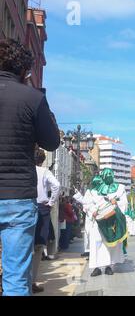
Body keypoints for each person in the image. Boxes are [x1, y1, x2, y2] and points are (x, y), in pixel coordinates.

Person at [0, 39, 60, 296]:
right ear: (25, 70)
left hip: (17, 196)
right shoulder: (32, 98)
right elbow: (52, 141)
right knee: (16, 276)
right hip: (17, 197)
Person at [32, 149, 61, 294]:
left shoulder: (26, 170)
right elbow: (57, 185)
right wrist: (51, 202)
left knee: (23, 245)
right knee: (38, 247)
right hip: (42, 208)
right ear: (43, 160)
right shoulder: (44, 172)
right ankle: (31, 282)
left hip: (26, 205)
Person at [89, 169, 128, 277]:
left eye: (110, 174)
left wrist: (116, 203)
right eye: (106, 175)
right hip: (98, 221)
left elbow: (124, 203)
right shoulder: (95, 190)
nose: (108, 176)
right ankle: (96, 267)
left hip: (112, 219)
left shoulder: (120, 188)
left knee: (110, 243)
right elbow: (88, 203)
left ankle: (108, 266)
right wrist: (93, 211)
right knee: (97, 242)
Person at [73, 176, 103, 260]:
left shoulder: (102, 192)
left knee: (97, 235)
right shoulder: (89, 191)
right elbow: (85, 202)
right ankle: (88, 250)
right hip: (91, 216)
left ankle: (96, 251)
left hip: (98, 216)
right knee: (88, 234)